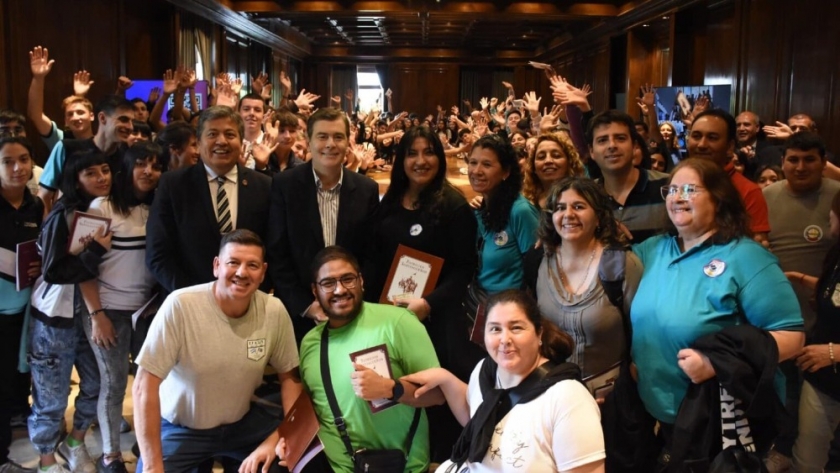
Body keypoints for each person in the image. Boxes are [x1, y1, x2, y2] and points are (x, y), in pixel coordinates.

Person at [630, 158, 804, 468]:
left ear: (718, 198)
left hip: (720, 419)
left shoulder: (746, 255)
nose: (677, 197)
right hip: (659, 412)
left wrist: (716, 362)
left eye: (690, 189)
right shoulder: (654, 249)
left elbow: (792, 336)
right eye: (671, 189)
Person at [134, 230, 301, 473]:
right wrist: (152, 466)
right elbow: (143, 386)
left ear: (263, 272)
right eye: (233, 262)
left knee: (287, 463)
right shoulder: (180, 306)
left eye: (252, 265)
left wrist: (280, 437)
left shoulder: (273, 310)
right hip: (181, 429)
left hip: (242, 425)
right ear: (216, 266)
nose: (242, 272)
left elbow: (290, 378)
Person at [279, 246, 444, 472]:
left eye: (348, 279)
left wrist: (390, 388)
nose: (339, 289)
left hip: (403, 466)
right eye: (328, 283)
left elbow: (438, 394)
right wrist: (275, 443)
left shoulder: (398, 322)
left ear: (361, 281)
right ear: (315, 292)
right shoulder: (310, 343)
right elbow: (309, 409)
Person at [403, 290, 605, 473]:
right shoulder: (485, 371)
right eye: (495, 329)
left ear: (539, 333)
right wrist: (444, 378)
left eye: (516, 328)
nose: (504, 339)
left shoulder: (568, 397)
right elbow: (478, 421)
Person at [76, 142, 163, 473]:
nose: (149, 172)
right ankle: (110, 455)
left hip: (147, 311)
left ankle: (146, 444)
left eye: (155, 166)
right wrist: (97, 316)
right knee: (113, 384)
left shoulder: (156, 207)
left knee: (150, 382)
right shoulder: (101, 207)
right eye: (142, 164)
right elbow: (81, 269)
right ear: (127, 169)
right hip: (107, 309)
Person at [30, 150, 114, 473]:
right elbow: (54, 272)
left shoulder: (100, 210)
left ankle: (75, 441)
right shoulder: (62, 214)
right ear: (75, 179)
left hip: (88, 316)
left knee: (96, 383)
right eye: (90, 173)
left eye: (105, 170)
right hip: (55, 320)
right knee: (50, 395)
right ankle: (46, 459)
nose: (101, 177)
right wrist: (94, 250)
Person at [267, 107, 380, 346]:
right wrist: (308, 306)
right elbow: (278, 255)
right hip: (301, 315)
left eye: (338, 137)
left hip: (353, 311)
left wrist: (352, 301)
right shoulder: (284, 186)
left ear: (348, 141)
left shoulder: (366, 189)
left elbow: (371, 254)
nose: (331, 144)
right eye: (322, 136)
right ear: (307, 141)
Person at [761, 132, 840, 471]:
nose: (801, 166)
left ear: (825, 164)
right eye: (793, 159)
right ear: (782, 163)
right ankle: (783, 445)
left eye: (810, 159)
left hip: (827, 319)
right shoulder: (766, 196)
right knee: (787, 388)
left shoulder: (838, 198)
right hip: (778, 313)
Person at [146, 106, 272, 294]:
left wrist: (251, 291)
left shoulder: (264, 186)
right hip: (188, 301)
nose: (221, 141)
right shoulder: (173, 185)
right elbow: (157, 254)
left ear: (241, 141)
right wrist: (194, 298)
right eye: (212, 134)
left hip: (247, 298)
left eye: (230, 135)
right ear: (198, 141)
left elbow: (273, 249)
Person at [529, 177, 642, 382]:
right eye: (560, 208)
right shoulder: (539, 260)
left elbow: (643, 332)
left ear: (598, 217)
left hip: (610, 394)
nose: (568, 214)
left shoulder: (621, 264)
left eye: (579, 206)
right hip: (552, 390)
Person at [785, 189, 840, 473]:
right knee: (808, 460)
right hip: (823, 382)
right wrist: (804, 280)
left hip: (828, 362)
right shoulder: (837, 253)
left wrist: (834, 352)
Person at [0, 137, 43, 473]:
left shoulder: (36, 205)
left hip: (26, 309)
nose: (17, 168)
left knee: (16, 381)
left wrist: (39, 264)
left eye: (24, 159)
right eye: (7, 161)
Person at [38, 95, 134, 215]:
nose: (130, 127)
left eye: (132, 122)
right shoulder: (66, 148)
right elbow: (44, 196)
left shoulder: (127, 157)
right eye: (123, 120)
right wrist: (46, 229)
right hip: (69, 226)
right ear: (103, 118)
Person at [687, 109, 771, 246]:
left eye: (712, 138)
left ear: (730, 146)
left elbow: (756, 247)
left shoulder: (748, 191)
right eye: (696, 136)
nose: (701, 145)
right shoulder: (677, 183)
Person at [469, 134, 539, 296]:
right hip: (478, 300)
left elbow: (536, 271)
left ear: (505, 172)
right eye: (473, 163)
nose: (477, 171)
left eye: (487, 164)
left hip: (509, 307)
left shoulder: (520, 211)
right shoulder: (480, 208)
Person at [587, 110, 669, 243]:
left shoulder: (668, 185)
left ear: (635, 146)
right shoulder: (587, 195)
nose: (612, 145)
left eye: (620, 138)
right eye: (602, 140)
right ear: (592, 152)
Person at [521, 132, 584, 209]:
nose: (548, 161)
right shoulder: (526, 205)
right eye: (541, 157)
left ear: (569, 163)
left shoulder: (585, 197)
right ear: (533, 167)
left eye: (556, 156)